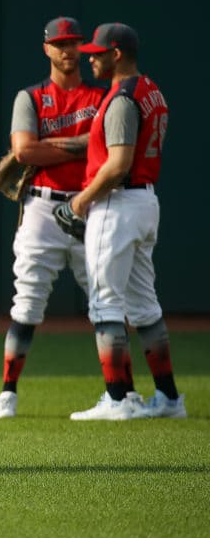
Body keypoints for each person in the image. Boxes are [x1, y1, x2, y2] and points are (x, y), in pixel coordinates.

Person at [67, 23, 185, 420]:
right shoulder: (151, 91)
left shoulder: (121, 98)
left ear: (117, 54)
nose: (91, 58)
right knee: (144, 305)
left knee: (105, 302)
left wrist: (81, 201)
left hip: (117, 204)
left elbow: (117, 165)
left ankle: (119, 399)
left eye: (97, 53)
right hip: (145, 201)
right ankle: (169, 398)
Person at [0, 17, 105, 418]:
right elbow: (24, 152)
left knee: (105, 298)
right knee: (27, 301)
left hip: (91, 203)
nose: (67, 50)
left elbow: (108, 150)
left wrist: (54, 144)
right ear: (47, 49)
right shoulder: (32, 96)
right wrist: (83, 144)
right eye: (59, 43)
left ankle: (119, 393)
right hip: (42, 206)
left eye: (73, 42)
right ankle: (8, 391)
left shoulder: (100, 96)